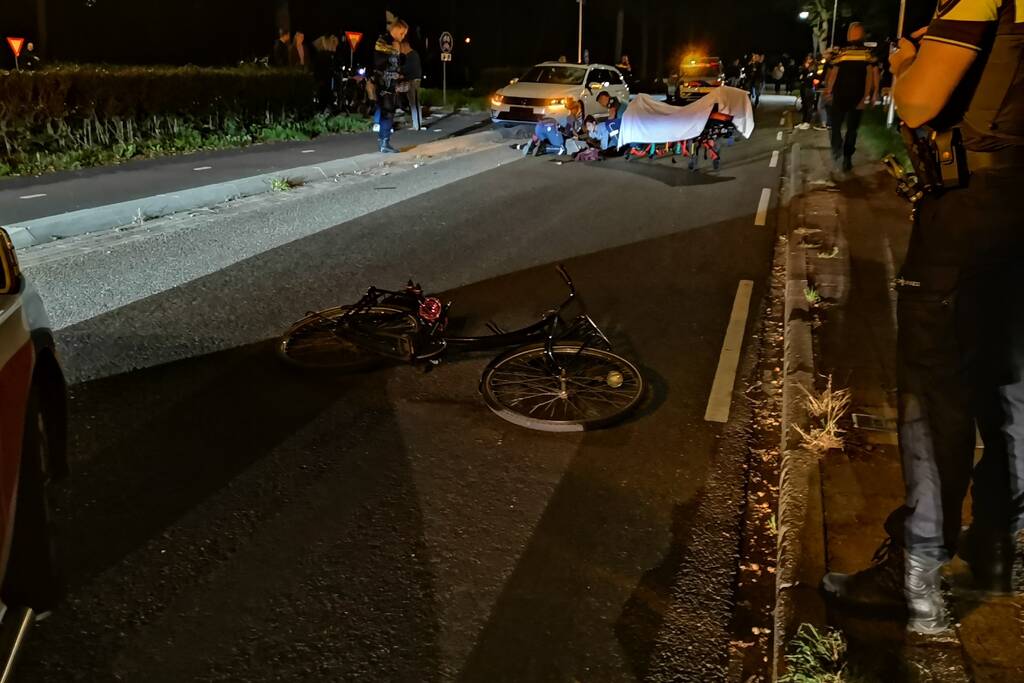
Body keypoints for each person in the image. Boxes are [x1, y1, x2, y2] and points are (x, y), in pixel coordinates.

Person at [821, 0, 1024, 635]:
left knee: (936, 387)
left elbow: (917, 104)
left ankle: (916, 574)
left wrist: (909, 64)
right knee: (1013, 385)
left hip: (968, 211)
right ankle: (999, 549)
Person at [822, 23, 880, 173]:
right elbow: (872, 75)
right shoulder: (865, 54)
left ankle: (841, 152)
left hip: (849, 96)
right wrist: (871, 95)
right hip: (849, 96)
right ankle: (844, 153)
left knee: (842, 127)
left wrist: (870, 95)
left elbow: (870, 75)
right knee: (847, 128)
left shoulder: (846, 53)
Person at [373, 18, 408, 153]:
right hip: (384, 84)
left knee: (388, 112)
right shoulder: (383, 41)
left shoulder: (393, 44)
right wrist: (394, 50)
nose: (403, 36)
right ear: (396, 29)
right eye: (402, 33)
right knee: (387, 112)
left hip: (391, 84)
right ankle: (384, 142)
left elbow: (397, 62)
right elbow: (378, 60)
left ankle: (384, 141)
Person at [400, 41, 423, 131]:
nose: (401, 50)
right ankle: (417, 124)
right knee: (414, 103)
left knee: (414, 103)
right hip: (414, 80)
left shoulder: (411, 55)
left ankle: (417, 125)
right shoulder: (413, 55)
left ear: (406, 46)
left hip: (413, 81)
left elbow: (409, 68)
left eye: (402, 48)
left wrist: (400, 70)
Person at [797, 54, 817, 129]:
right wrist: (803, 75)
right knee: (804, 105)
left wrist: (804, 77)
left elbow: (809, 78)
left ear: (812, 60)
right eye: (806, 59)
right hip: (804, 87)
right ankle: (803, 121)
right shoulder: (805, 68)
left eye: (809, 59)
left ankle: (807, 122)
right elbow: (800, 77)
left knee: (809, 106)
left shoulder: (813, 67)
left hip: (809, 88)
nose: (807, 61)